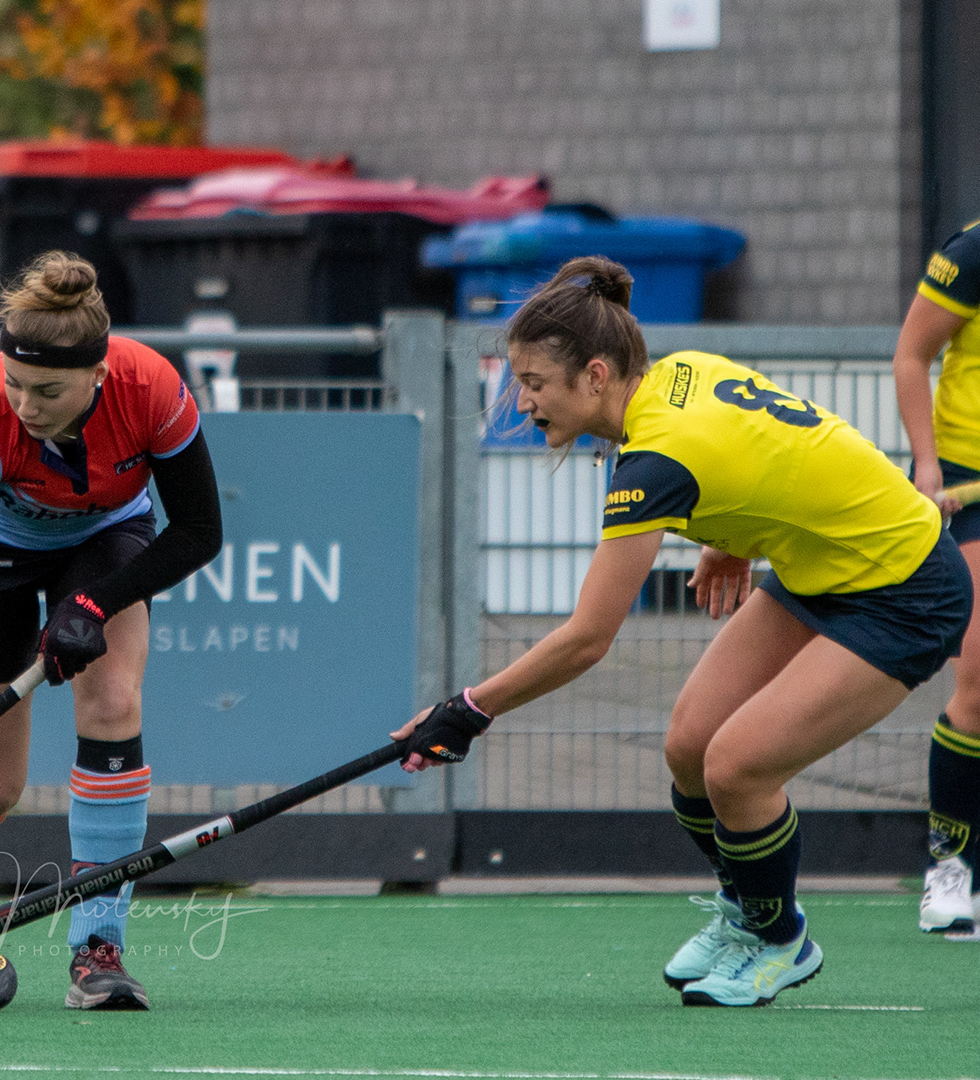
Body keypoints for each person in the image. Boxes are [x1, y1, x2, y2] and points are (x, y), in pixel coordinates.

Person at [395, 256, 969, 1007]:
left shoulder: (652, 463)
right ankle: (747, 909)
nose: (522, 402)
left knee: (736, 767)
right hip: (820, 568)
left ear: (595, 375)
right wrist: (732, 535)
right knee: (689, 746)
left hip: (907, 591)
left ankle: (778, 938)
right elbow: (773, 451)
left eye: (533, 383)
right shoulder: (683, 369)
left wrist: (469, 710)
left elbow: (588, 638)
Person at [0, 251, 222, 1010]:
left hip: (106, 540)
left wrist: (95, 604)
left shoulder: (151, 388)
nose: (26, 405)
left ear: (98, 374)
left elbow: (200, 532)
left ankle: (98, 950)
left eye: (48, 390)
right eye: (15, 383)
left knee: (113, 705)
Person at [892, 217, 980, 934]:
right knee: (979, 682)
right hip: (970, 486)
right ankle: (951, 868)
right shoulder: (973, 250)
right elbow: (911, 355)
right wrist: (926, 466)